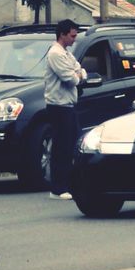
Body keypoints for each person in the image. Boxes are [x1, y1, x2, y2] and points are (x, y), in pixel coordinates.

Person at [44, 19, 87, 199]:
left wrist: (78, 74)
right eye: (72, 36)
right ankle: (58, 188)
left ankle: (68, 184)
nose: (74, 39)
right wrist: (77, 74)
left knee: (71, 145)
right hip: (58, 106)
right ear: (62, 34)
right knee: (61, 147)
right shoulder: (56, 54)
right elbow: (73, 79)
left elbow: (81, 71)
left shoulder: (66, 54)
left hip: (68, 105)